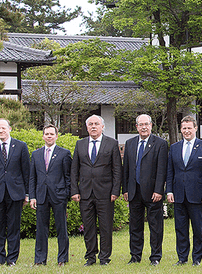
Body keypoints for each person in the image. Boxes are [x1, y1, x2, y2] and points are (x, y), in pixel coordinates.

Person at [70, 115, 122, 266]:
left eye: (96, 124)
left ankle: (104, 257)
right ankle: (90, 257)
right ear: (86, 127)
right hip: (85, 192)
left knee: (106, 227)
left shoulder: (111, 143)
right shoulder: (80, 144)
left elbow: (117, 169)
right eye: (90, 124)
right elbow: (74, 170)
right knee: (88, 227)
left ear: (102, 126)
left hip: (105, 193)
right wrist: (74, 190)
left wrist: (115, 191)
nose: (93, 126)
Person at [166, 115, 202, 266]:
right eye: (184, 128)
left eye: (189, 128)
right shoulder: (174, 148)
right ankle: (182, 258)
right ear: (181, 130)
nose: (187, 131)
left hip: (197, 195)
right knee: (180, 229)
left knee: (198, 229)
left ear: (195, 128)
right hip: (178, 195)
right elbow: (170, 171)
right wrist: (169, 191)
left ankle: (197, 258)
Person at [0, 118, 30, 266]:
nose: (1, 131)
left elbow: (26, 172)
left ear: (9, 129)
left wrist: (27, 194)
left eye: (3, 128)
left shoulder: (21, 146)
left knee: (14, 227)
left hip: (16, 193)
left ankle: (12, 259)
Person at [123, 114, 168, 266]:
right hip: (134, 191)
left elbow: (162, 169)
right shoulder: (129, 143)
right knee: (135, 226)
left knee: (155, 227)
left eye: (146, 124)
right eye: (140, 124)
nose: (143, 127)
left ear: (151, 125)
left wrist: (159, 190)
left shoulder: (160, 143)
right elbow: (126, 169)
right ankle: (135, 256)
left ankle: (155, 257)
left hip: (152, 192)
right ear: (136, 127)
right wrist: (125, 189)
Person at [29, 124, 72, 266]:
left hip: (59, 196)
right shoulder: (35, 154)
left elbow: (68, 176)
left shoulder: (64, 153)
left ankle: (62, 259)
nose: (49, 136)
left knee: (61, 228)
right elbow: (32, 177)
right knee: (41, 229)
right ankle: (40, 260)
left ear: (56, 136)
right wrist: (32, 196)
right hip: (41, 196)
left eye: (51, 134)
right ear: (43, 136)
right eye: (46, 134)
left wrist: (66, 194)